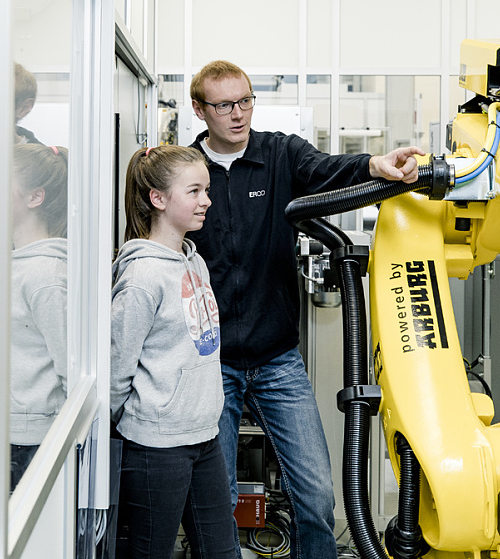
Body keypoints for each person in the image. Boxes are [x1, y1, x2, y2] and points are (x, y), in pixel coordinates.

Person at [184, 60, 423, 559]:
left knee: (316, 496)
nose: (238, 114)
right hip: (210, 363)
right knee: (217, 499)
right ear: (199, 109)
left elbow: (325, 169)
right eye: (225, 105)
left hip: (277, 359)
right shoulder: (186, 171)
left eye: (245, 100)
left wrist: (375, 165)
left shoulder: (278, 154)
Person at [110, 145, 235, 559]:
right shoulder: (143, 275)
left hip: (204, 435)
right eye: (195, 191)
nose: (207, 201)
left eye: (207, 189)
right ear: (158, 199)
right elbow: (117, 366)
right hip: (156, 447)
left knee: (222, 552)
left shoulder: (192, 261)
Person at [10, 143, 69, 489]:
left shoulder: (45, 276)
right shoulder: (16, 263)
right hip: (8, 428)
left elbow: (69, 370)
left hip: (31, 436)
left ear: (35, 197)